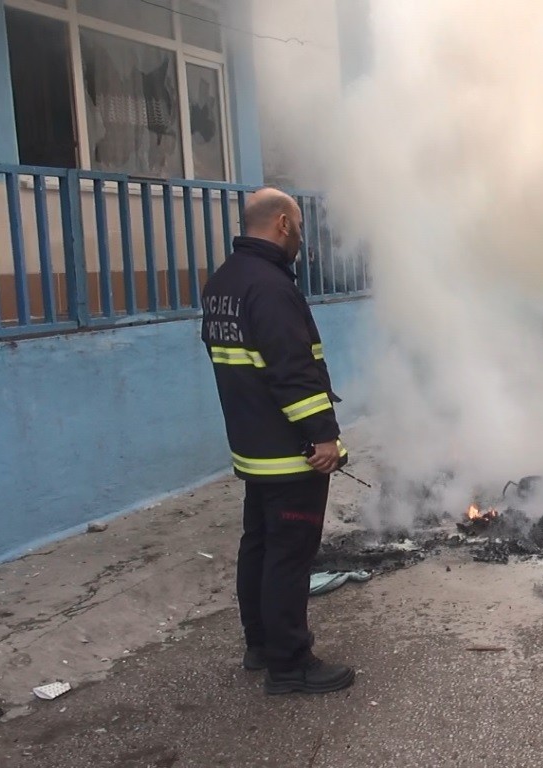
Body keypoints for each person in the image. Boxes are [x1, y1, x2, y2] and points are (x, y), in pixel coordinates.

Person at [200, 187, 355, 694]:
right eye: (300, 229)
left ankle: (260, 645)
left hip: (252, 446)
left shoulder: (224, 282)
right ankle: (290, 666)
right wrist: (324, 436)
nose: (301, 240)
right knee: (289, 555)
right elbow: (293, 370)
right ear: (283, 223)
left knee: (261, 546)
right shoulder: (270, 287)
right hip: (290, 454)